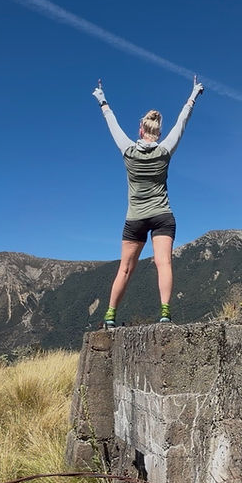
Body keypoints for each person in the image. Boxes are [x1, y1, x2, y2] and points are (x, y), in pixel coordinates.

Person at [92, 76, 203, 328]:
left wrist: (102, 99)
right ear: (159, 133)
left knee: (125, 269)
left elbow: (112, 122)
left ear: (140, 131)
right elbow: (182, 122)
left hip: (135, 218)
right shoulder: (165, 151)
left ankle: (110, 315)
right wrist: (193, 95)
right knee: (164, 263)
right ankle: (165, 313)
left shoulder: (128, 151)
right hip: (162, 215)